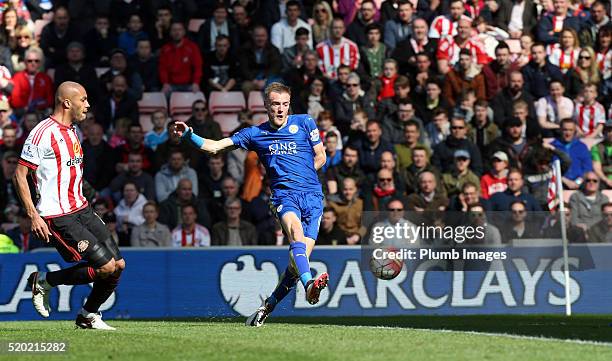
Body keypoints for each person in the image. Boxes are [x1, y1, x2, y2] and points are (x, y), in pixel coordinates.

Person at [174, 82, 329, 326]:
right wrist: (189, 135)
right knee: (296, 237)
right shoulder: (255, 134)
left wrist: (304, 173)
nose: (281, 109)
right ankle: (310, 285)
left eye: (285, 105)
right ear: (266, 106)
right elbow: (215, 147)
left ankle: (268, 306)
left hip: (313, 198)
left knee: (295, 263)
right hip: (284, 197)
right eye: (276, 104)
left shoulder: (306, 122)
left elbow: (321, 156)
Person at [14, 81, 124, 329]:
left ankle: (88, 315)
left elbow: (69, 171)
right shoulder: (42, 133)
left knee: (118, 266)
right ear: (66, 103)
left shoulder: (74, 130)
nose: (88, 104)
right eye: (83, 100)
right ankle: (44, 280)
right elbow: (20, 175)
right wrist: (33, 216)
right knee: (104, 266)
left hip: (81, 208)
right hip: (57, 215)